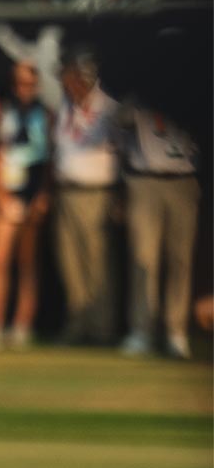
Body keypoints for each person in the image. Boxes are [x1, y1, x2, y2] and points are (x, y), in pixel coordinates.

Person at [0, 61, 52, 352]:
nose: (24, 89)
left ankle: (22, 326)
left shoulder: (45, 114)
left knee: (27, 262)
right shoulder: (3, 111)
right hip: (7, 192)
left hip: (33, 193)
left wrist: (44, 194)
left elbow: (50, 158)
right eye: (19, 83)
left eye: (29, 84)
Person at [118, 100, 199, 359]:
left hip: (184, 179)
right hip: (145, 179)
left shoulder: (193, 89)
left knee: (180, 259)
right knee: (144, 257)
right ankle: (143, 330)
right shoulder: (141, 90)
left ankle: (176, 331)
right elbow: (119, 120)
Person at [52, 48, 121, 346]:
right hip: (66, 192)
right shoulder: (64, 107)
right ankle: (78, 324)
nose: (69, 82)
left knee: (98, 263)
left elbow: (123, 151)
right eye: (66, 76)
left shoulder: (109, 108)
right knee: (70, 262)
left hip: (97, 192)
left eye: (74, 76)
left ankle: (103, 328)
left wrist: (120, 195)